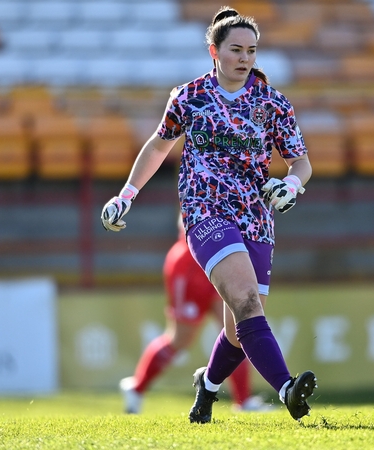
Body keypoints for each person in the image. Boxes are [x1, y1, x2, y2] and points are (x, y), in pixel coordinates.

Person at [101, 6, 317, 423]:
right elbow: (159, 145)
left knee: (240, 329)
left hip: (256, 216)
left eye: (251, 51)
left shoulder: (272, 103)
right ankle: (288, 389)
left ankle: (208, 387)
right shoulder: (189, 96)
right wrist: (127, 194)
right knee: (248, 302)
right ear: (214, 50)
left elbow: (301, 163)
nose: (245, 58)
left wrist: (291, 186)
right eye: (236, 49)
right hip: (205, 211)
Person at [118, 218, 271, 414]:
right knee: (180, 338)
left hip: (222, 259)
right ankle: (136, 388)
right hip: (191, 263)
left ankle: (243, 400)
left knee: (236, 330)